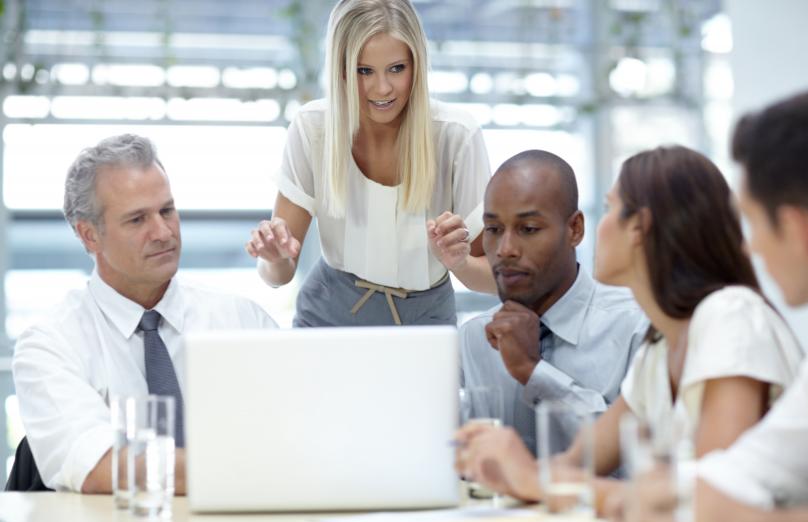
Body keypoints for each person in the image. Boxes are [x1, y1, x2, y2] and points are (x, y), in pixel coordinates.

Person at [455, 145, 803, 510]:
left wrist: (535, 477)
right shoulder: (658, 350)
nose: (597, 227)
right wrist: (511, 468)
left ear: (641, 228)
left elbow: (713, 504)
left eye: (609, 210)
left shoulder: (731, 315)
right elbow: (572, 468)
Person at [609, 89, 808, 522]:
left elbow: (735, 511)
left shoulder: (732, 312)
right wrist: (669, 496)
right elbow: (752, 466)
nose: (749, 248)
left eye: (752, 223)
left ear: (796, 229)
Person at [12, 134, 277, 494]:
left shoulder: (242, 320)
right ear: (89, 236)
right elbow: (101, 468)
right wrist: (248, 467)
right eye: (137, 220)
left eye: (167, 210)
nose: (164, 232)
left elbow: (303, 431)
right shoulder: (51, 344)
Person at [245, 0, 494, 327]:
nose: (382, 88)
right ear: (341, 69)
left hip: (424, 320)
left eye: (396, 68)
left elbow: (493, 279)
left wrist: (460, 263)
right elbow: (278, 275)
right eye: (364, 71)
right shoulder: (313, 128)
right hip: (328, 316)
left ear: (416, 65)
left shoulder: (456, 135)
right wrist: (273, 259)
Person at [459, 150, 646, 455]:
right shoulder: (474, 338)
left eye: (528, 229)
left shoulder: (635, 327)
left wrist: (532, 371)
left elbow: (636, 460)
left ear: (575, 229)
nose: (505, 250)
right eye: (493, 230)